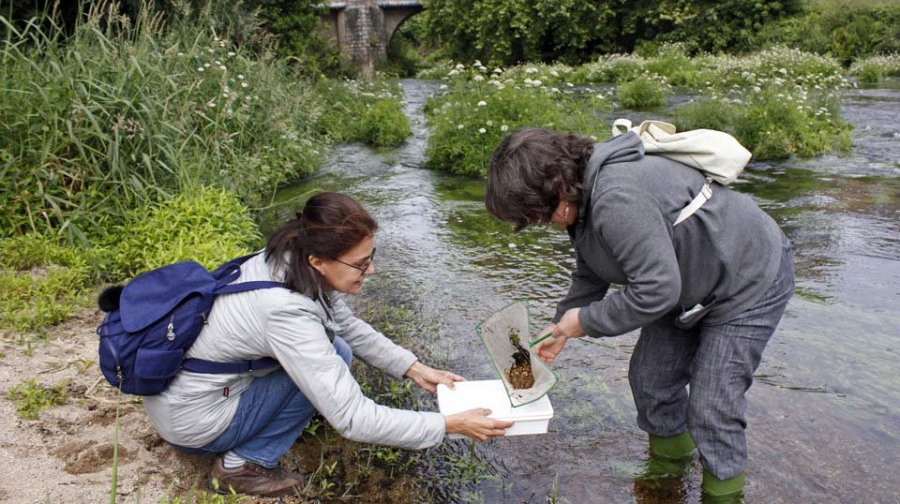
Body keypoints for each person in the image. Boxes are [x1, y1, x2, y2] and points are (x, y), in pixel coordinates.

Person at [484, 128, 794, 499]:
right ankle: (668, 471)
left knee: (712, 406)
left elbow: (657, 291)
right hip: (683, 285)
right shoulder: (584, 196)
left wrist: (583, 322)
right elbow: (593, 268)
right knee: (650, 379)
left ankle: (722, 492)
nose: (542, 222)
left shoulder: (616, 197)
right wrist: (561, 324)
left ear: (558, 187)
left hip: (745, 280)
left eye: (538, 213)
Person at [144, 192, 513, 497]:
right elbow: (353, 419)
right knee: (329, 369)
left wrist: (414, 369)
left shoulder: (289, 259)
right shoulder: (285, 311)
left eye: (371, 258)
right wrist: (448, 424)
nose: (371, 272)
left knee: (338, 350)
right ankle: (241, 464)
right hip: (195, 423)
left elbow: (345, 325)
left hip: (193, 394)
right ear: (319, 261)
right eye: (360, 264)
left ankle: (287, 416)